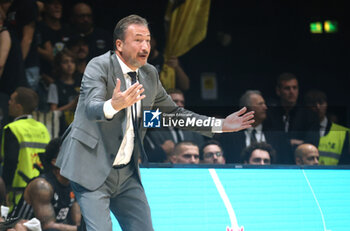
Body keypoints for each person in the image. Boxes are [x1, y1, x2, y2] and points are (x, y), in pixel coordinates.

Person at [55, 15, 254, 231]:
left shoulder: (149, 74)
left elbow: (173, 114)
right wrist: (114, 104)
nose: (145, 46)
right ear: (119, 45)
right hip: (90, 165)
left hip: (127, 173)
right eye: (138, 40)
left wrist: (220, 124)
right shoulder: (99, 66)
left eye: (148, 40)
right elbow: (91, 107)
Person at [9, 138, 83, 231]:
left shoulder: (74, 185)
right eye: (70, 156)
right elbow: (48, 226)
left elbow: (78, 222)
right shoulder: (42, 186)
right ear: (55, 162)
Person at [1, 87, 51, 209]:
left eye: (12, 100)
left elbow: (10, 161)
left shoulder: (12, 129)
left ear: (19, 106)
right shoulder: (42, 128)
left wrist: (5, 190)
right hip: (42, 190)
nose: (8, 102)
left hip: (18, 193)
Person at [216, 90, 292, 164]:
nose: (265, 107)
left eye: (264, 104)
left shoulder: (276, 135)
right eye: (260, 104)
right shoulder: (230, 136)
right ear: (247, 109)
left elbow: (285, 160)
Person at [144, 88, 206, 162]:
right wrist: (162, 150)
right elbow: (141, 158)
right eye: (175, 101)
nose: (179, 105)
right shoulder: (150, 128)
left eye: (182, 102)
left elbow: (203, 155)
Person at [266, 73, 320, 150]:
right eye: (287, 88)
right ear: (278, 91)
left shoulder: (309, 116)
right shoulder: (270, 115)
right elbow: (269, 140)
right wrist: (290, 143)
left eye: (295, 88)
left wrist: (282, 142)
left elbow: (312, 143)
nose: (292, 92)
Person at [304, 89, 350, 165]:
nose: (317, 107)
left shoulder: (344, 132)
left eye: (321, 102)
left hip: (335, 174)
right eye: (313, 103)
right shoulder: (300, 130)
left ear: (326, 105)